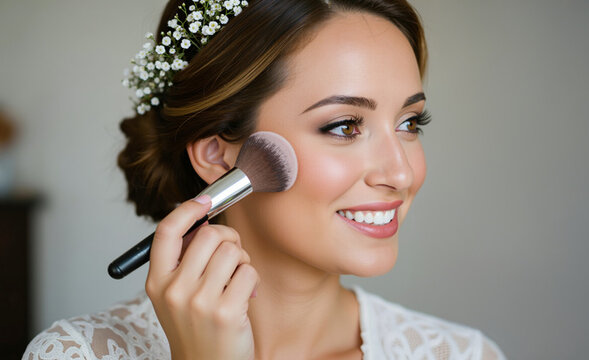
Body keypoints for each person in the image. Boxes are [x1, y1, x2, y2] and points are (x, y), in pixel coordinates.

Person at [23, 0, 505, 359]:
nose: (401, 172)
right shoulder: (77, 354)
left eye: (409, 124)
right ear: (216, 153)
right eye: (344, 126)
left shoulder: (461, 354)